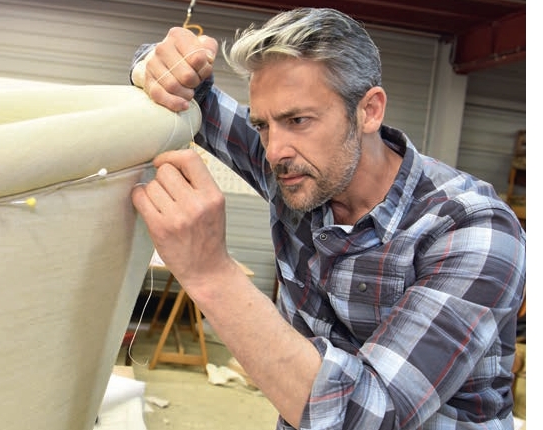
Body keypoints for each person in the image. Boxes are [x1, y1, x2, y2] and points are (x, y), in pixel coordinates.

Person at [128, 7, 526, 429]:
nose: (274, 151)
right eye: (262, 125)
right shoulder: (295, 165)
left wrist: (210, 273)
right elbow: (180, 88)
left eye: (298, 120)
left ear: (369, 111)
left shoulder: (473, 229)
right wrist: (161, 65)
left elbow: (366, 416)